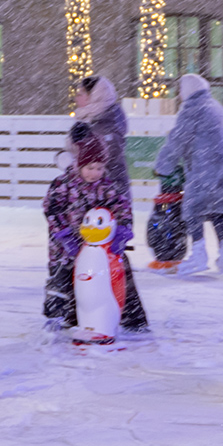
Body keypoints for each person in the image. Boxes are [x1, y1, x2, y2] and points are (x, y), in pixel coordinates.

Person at [42, 130, 150, 333]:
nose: (95, 173)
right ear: (79, 164)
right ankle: (65, 318)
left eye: (100, 168)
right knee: (66, 277)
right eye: (90, 168)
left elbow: (122, 207)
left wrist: (122, 232)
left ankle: (132, 318)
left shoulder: (106, 186)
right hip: (65, 246)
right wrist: (65, 236)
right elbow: (51, 210)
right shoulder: (62, 184)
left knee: (120, 269)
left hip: (99, 247)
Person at [156, 71, 223, 276]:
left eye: (180, 90)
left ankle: (199, 255)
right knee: (216, 210)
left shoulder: (192, 108)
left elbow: (177, 141)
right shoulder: (215, 106)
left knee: (193, 209)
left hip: (205, 168)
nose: (179, 95)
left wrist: (163, 166)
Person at [68, 74, 129, 177]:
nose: (75, 99)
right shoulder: (89, 119)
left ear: (95, 96)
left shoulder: (107, 121)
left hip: (108, 187)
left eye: (80, 94)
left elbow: (109, 153)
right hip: (89, 186)